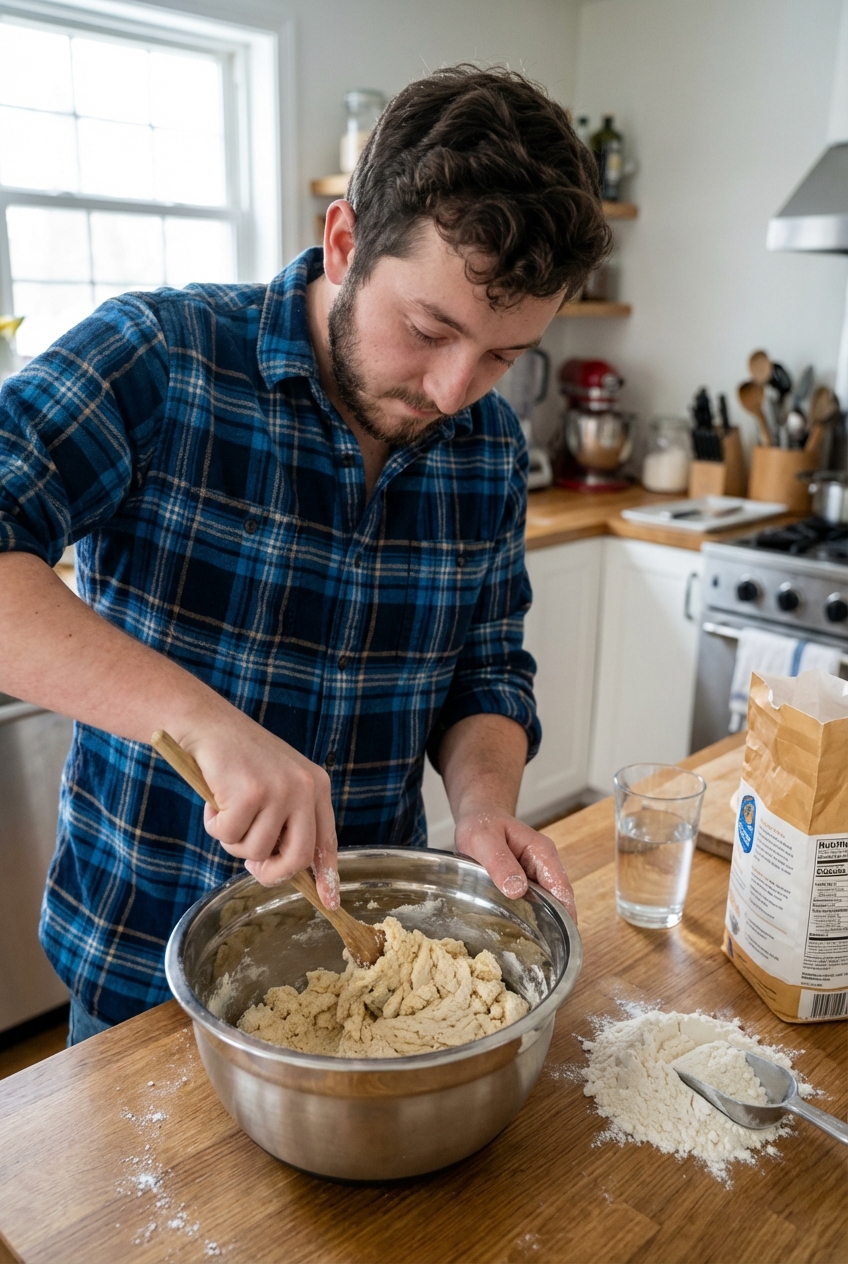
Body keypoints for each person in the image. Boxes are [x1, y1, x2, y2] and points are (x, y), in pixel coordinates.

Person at [0, 65, 611, 1043]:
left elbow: (486, 664)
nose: (455, 390)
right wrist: (201, 724)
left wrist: (483, 803)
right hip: (138, 983)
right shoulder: (161, 359)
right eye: (428, 329)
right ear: (344, 239)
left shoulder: (486, 447)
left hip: (361, 972)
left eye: (502, 355)